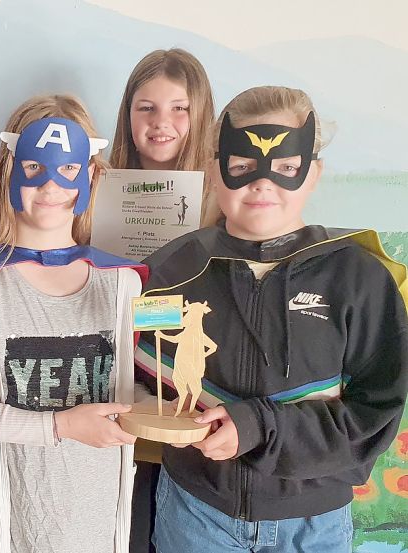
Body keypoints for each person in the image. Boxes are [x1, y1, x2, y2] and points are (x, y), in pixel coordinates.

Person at [135, 86, 408, 553]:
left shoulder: (358, 280)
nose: (262, 184)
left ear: (313, 174)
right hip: (196, 512)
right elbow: (142, 378)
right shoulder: (173, 270)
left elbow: (374, 415)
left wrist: (259, 427)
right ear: (215, 172)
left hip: (312, 522)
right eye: (241, 167)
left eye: (285, 167)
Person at [0, 94, 148, 553]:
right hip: (7, 526)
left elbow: (132, 395)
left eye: (68, 169)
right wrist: (60, 426)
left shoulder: (123, 283)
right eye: (35, 168)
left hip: (97, 522)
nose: (51, 185)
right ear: (10, 169)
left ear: (90, 174)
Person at [108, 48, 216, 551]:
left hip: (193, 415)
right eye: (145, 107)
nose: (161, 122)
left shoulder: (225, 199)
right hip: (115, 401)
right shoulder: (96, 189)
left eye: (180, 108)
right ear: (127, 116)